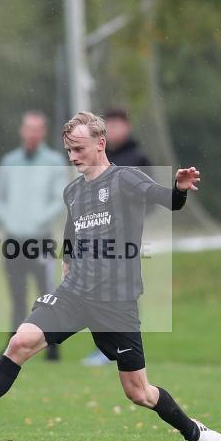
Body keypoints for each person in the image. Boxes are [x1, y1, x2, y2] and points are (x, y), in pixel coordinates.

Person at [0, 111, 221, 441]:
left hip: (116, 301)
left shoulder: (126, 179)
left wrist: (179, 188)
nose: (72, 156)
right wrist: (67, 260)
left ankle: (194, 431)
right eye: (68, 150)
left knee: (138, 391)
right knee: (20, 343)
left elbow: (167, 201)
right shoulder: (72, 191)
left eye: (78, 148)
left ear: (100, 144)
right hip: (75, 294)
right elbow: (72, 230)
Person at [82, 108, 157, 366]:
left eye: (116, 124)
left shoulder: (138, 158)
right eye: (108, 125)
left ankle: (125, 348)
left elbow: (151, 198)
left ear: (127, 126)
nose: (112, 130)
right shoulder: (100, 160)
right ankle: (105, 348)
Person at [0, 111, 67, 360]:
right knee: (16, 295)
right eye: (29, 128)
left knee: (45, 293)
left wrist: (36, 222)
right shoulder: (9, 161)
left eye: (37, 129)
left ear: (43, 132)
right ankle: (13, 345)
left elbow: (58, 200)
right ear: (22, 131)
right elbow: (0, 200)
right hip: (14, 239)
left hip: (40, 238)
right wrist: (11, 222)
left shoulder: (54, 161)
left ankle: (52, 345)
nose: (32, 133)